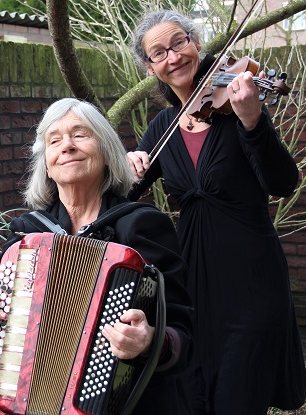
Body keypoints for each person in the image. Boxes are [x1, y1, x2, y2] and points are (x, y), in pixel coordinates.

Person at [127, 9, 306, 414]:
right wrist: (128, 165)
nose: (173, 57)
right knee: (196, 396)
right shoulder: (161, 127)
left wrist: (253, 121)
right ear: (151, 68)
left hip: (252, 280)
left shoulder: (239, 110)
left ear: (196, 43)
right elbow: (122, 197)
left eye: (179, 43)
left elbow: (283, 183)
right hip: (191, 284)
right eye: (159, 53)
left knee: (239, 397)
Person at [0, 98, 193, 414]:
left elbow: (185, 329)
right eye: (54, 140)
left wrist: (149, 340)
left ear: (106, 152)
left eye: (80, 134)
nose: (67, 146)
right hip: (30, 403)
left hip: (130, 403)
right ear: (46, 162)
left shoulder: (142, 225)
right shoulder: (26, 233)